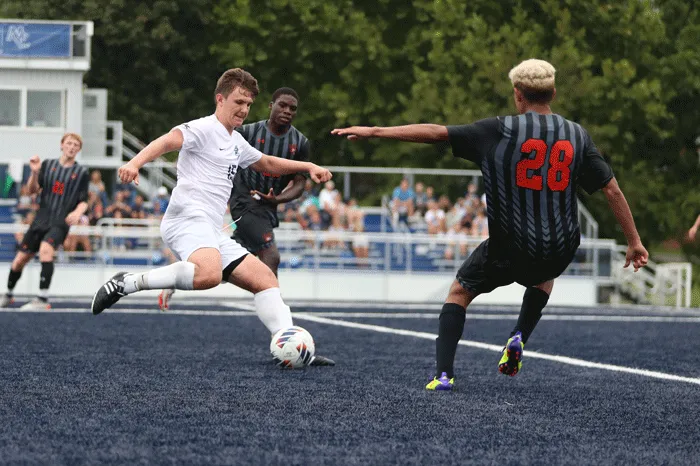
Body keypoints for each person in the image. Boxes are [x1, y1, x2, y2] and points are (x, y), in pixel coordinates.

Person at [332, 58, 649, 390]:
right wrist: (634, 241)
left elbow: (436, 133)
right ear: (553, 92)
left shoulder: (499, 130)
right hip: (561, 244)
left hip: (508, 245)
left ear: (517, 95)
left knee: (459, 292)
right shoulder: (577, 135)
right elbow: (611, 189)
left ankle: (443, 374)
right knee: (545, 273)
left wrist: (375, 131)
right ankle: (519, 336)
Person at [90, 68, 335, 366]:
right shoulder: (202, 128)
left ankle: (290, 343)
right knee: (208, 275)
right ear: (220, 99)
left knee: (265, 279)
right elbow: (168, 140)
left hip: (209, 229)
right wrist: (135, 163)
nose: (244, 110)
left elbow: (267, 162)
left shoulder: (236, 141)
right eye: (238, 102)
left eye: (248, 105)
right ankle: (127, 283)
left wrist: (307, 166)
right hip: (184, 220)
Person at [158, 87, 312, 309]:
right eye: (282, 105)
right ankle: (279, 317)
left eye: (292, 108)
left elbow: (299, 183)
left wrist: (277, 199)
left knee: (223, 264)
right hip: (244, 200)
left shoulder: (300, 142)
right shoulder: (247, 132)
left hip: (268, 207)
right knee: (271, 255)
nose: (287, 111)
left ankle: (178, 277)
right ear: (271, 106)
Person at [0, 133, 89, 309]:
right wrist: (34, 172)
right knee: (19, 260)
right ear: (62, 145)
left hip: (60, 221)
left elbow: (84, 200)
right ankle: (8, 294)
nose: (71, 147)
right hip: (41, 219)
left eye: (75, 145)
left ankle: (42, 298)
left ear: (78, 150)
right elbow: (32, 190)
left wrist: (78, 212)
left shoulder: (81, 172)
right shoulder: (48, 165)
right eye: (69, 143)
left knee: (46, 251)